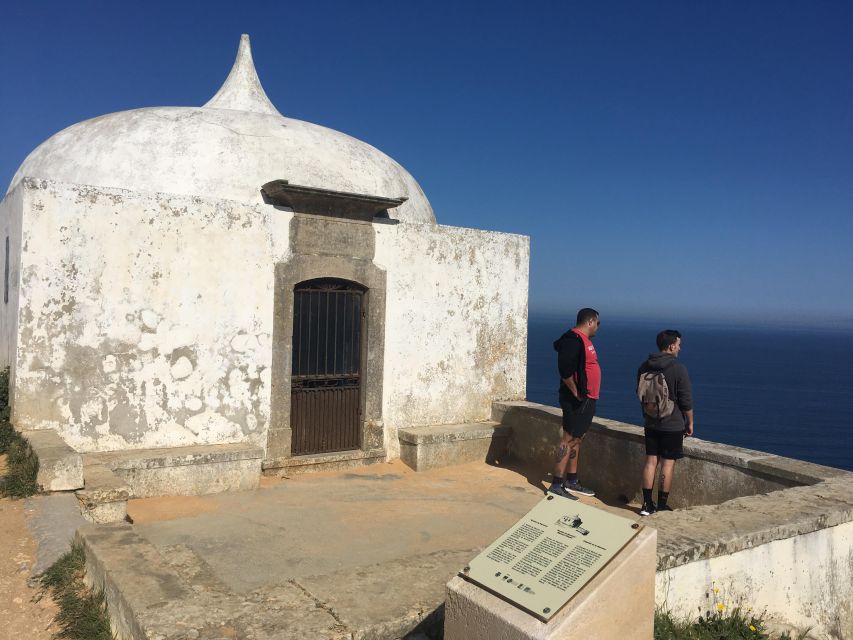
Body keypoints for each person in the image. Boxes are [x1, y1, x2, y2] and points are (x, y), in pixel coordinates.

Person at [636, 329, 694, 515]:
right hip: (672, 423)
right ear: (671, 346)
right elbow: (685, 400)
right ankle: (661, 505)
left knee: (650, 461)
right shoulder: (678, 368)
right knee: (667, 464)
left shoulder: (644, 366)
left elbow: (640, 393)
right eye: (678, 345)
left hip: (650, 422)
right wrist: (690, 422)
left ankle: (646, 505)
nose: (679, 348)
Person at [548, 308, 601, 500]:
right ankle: (556, 483)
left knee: (577, 438)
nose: (598, 327)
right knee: (569, 439)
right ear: (590, 321)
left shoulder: (583, 341)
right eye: (598, 323)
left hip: (586, 399)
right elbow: (565, 369)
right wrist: (576, 392)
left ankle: (571, 480)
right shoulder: (573, 340)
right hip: (577, 399)